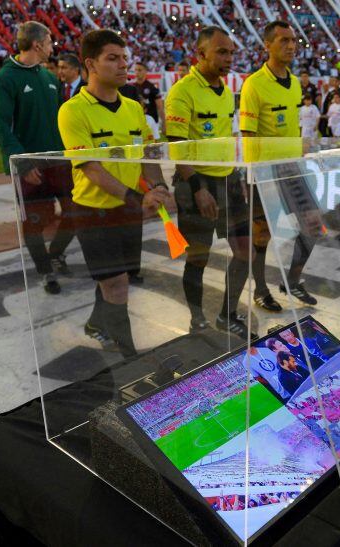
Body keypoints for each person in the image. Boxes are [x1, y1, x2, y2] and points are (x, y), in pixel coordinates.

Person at [58, 29, 173, 356]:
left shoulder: (134, 108)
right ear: (90, 64)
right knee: (118, 285)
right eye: (113, 58)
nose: (123, 65)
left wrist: (160, 187)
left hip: (128, 211)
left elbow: (147, 156)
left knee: (114, 278)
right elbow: (91, 168)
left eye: (124, 58)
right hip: (93, 212)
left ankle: (97, 324)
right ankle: (129, 359)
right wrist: (138, 198)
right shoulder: (73, 110)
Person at [164, 26, 254, 339]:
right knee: (198, 257)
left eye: (231, 52)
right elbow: (177, 145)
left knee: (245, 250)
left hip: (228, 181)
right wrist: (198, 188)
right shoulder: (182, 91)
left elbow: (227, 137)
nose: (229, 58)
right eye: (222, 51)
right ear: (201, 54)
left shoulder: (227, 91)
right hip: (195, 184)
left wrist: (236, 174)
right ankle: (197, 319)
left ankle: (227, 315)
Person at [239, 20, 322, 310]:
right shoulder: (254, 84)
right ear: (267, 45)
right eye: (283, 40)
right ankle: (260, 290)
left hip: (292, 168)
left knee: (313, 225)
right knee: (261, 233)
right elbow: (247, 135)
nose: (290, 45)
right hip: (264, 171)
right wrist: (253, 176)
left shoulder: (296, 82)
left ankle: (293, 281)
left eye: (293, 40)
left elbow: (294, 129)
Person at [0, 21, 76, 295]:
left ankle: (54, 254)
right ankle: (45, 270)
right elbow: (1, 128)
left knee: (77, 211)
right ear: (38, 44)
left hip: (58, 161)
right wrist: (23, 164)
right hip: (29, 166)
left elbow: (60, 122)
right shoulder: (5, 78)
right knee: (35, 221)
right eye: (50, 42)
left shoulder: (50, 78)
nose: (53, 47)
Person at [133, 62, 164, 135]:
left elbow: (160, 107)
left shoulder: (152, 87)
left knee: (153, 146)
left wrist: (164, 124)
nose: (137, 72)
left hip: (151, 121)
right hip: (137, 121)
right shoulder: (132, 88)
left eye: (140, 70)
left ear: (146, 71)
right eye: (136, 70)